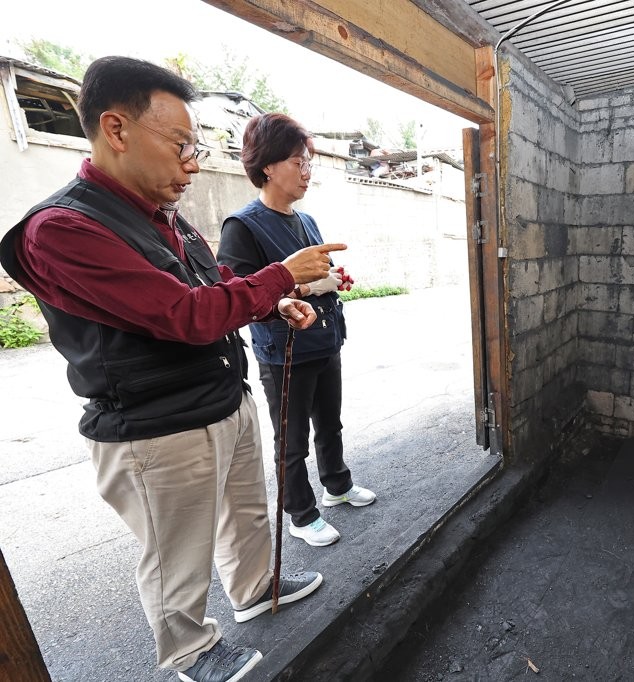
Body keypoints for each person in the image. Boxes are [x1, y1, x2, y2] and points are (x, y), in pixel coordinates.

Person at [0, 56, 342, 682]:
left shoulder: (163, 215)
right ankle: (189, 650)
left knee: (246, 509)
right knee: (173, 551)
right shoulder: (63, 228)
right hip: (154, 425)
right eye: (181, 143)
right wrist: (282, 275)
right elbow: (183, 313)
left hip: (219, 395)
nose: (193, 161)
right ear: (117, 129)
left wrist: (274, 297)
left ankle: (256, 587)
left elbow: (217, 284)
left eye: (196, 145)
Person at [217, 113, 376, 549]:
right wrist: (303, 286)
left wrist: (334, 278)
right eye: (296, 161)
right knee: (292, 440)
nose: (306, 171)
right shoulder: (243, 226)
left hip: (325, 338)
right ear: (267, 165)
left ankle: (337, 485)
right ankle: (301, 515)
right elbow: (239, 296)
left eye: (309, 162)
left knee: (331, 423)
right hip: (283, 349)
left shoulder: (305, 221)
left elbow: (322, 274)